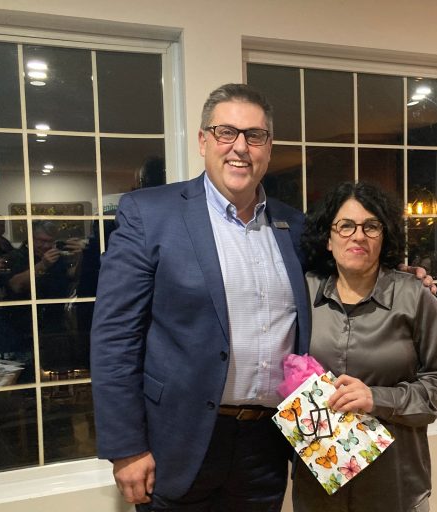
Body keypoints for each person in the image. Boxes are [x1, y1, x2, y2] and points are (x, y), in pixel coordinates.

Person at [90, 83, 313, 511]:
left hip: (267, 444)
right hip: (177, 442)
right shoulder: (149, 214)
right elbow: (115, 338)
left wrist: (405, 278)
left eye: (254, 135)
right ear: (203, 141)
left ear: (268, 148)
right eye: (226, 132)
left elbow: (344, 278)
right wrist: (126, 447)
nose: (240, 147)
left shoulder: (294, 226)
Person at [293, 182, 437, 512]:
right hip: (319, 488)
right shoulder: (303, 292)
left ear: (384, 237)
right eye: (345, 226)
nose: (358, 236)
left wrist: (377, 398)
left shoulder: (414, 297)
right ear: (328, 238)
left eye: (371, 226)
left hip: (394, 486)